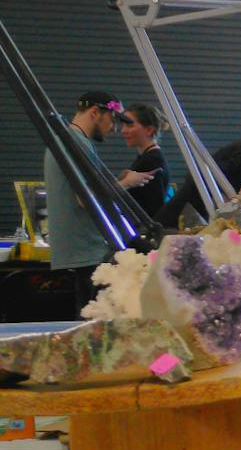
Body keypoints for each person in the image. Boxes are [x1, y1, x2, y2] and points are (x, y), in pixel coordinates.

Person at [42, 90, 122, 316]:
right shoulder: (76, 143)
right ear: (95, 112)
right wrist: (125, 184)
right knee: (97, 322)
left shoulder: (64, 140)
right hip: (87, 251)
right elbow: (85, 198)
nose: (114, 128)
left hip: (80, 251)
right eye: (112, 119)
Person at [118, 103, 168, 219]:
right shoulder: (146, 158)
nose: (123, 130)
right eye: (123, 125)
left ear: (149, 130)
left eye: (129, 125)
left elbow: (153, 207)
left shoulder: (152, 161)